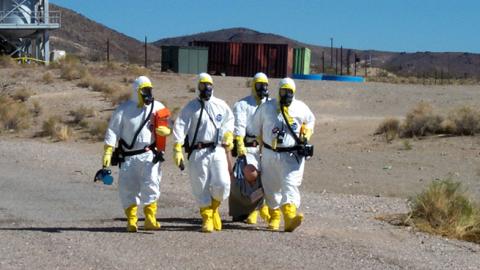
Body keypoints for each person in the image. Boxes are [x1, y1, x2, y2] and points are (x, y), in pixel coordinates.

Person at [102, 76, 171, 232]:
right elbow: (113, 130)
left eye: (150, 90)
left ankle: (150, 218)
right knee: (128, 187)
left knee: (152, 184)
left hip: (150, 155)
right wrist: (108, 151)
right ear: (136, 91)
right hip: (129, 156)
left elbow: (168, 122)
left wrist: (167, 131)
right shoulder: (124, 109)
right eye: (144, 90)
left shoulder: (157, 107)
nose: (148, 93)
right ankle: (132, 219)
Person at [172, 73, 234, 233]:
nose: (206, 88)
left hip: (218, 149)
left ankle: (214, 208)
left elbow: (229, 120)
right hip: (198, 151)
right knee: (201, 185)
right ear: (197, 87)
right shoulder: (190, 107)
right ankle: (207, 217)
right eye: (202, 85)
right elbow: (180, 126)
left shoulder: (220, 105)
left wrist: (228, 134)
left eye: (208, 85)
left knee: (223, 183)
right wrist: (177, 147)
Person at [252, 77, 315, 232]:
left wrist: (306, 131)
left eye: (290, 92)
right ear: (278, 91)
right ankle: (274, 216)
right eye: (283, 91)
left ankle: (289, 217)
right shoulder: (267, 107)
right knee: (271, 187)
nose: (286, 94)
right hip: (269, 154)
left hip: (291, 155)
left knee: (290, 184)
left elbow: (311, 121)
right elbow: (255, 126)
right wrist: (258, 144)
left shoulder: (301, 108)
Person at [229, 72, 271, 224]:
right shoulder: (242, 105)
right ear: (253, 86)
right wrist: (239, 141)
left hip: (267, 148)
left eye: (265, 85)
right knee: (251, 176)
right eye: (259, 85)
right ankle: (253, 209)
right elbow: (239, 124)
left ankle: (263, 208)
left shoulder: (271, 105)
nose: (262, 88)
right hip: (249, 148)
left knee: (268, 178)